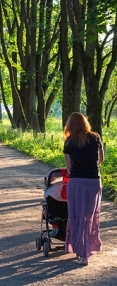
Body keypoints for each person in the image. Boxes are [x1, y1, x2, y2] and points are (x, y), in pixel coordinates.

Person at [63, 112, 104, 266]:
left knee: (77, 217)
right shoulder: (95, 137)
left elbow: (68, 168)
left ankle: (82, 253)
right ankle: (89, 248)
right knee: (90, 217)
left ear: (70, 125)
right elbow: (100, 159)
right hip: (93, 181)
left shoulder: (68, 142)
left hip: (76, 182)